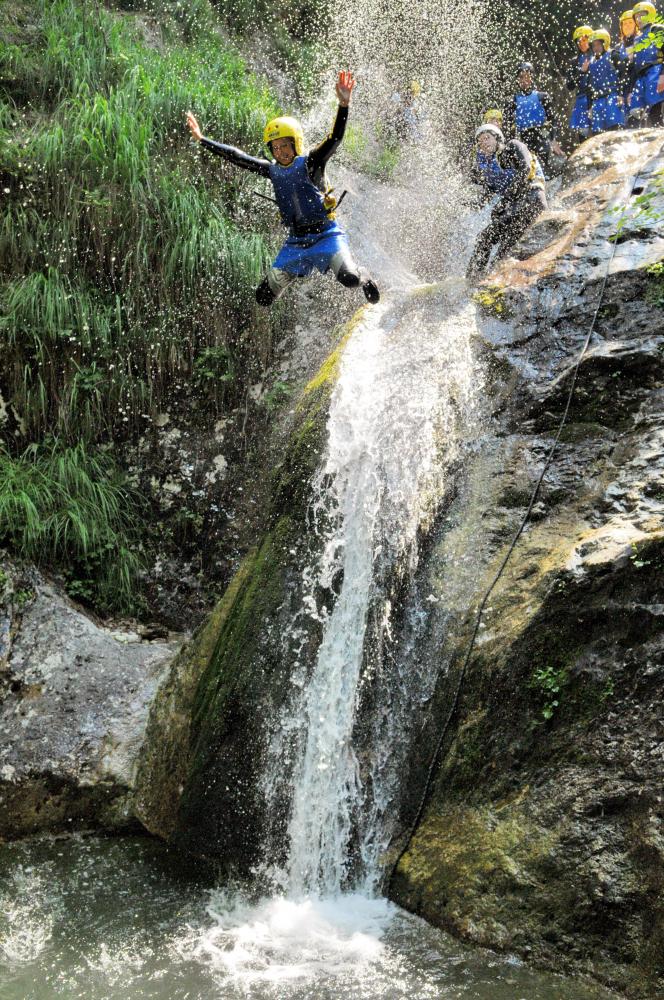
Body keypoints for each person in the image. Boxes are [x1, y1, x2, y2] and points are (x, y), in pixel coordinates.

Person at [186, 71, 380, 308]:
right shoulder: (272, 170)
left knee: (350, 279)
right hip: (296, 242)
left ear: (295, 143)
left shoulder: (312, 162)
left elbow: (335, 139)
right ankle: (295, 269)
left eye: (285, 146)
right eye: (275, 148)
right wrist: (203, 139)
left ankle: (366, 277)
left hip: (326, 235)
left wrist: (343, 104)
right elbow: (237, 157)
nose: (280, 152)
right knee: (264, 297)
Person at [466, 124, 547, 282]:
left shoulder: (514, 145)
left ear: (497, 138)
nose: (484, 143)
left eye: (487, 138)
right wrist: (471, 204)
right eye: (480, 142)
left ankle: (476, 281)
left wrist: (505, 202)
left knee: (492, 241)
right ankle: (476, 281)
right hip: (520, 205)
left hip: (532, 199)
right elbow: (489, 192)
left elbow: (525, 169)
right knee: (494, 246)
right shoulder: (496, 163)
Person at [503, 62, 565, 177]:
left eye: (527, 76)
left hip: (541, 135)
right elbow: (507, 127)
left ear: (532, 77)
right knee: (526, 166)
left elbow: (553, 120)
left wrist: (553, 140)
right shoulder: (512, 101)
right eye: (521, 77)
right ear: (517, 79)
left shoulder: (542, 97)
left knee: (549, 165)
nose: (524, 80)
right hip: (523, 137)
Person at [627, 2, 664, 126]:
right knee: (634, 112)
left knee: (655, 111)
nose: (638, 19)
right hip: (641, 78)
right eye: (636, 17)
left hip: (656, 71)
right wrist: (630, 91)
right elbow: (633, 68)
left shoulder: (657, 29)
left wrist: (663, 75)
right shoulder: (636, 39)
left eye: (642, 15)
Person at [586, 29, 627, 134]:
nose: (596, 48)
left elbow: (623, 74)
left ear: (605, 43)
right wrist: (590, 106)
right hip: (597, 100)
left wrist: (621, 94)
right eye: (593, 45)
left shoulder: (613, 55)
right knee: (597, 133)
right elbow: (589, 85)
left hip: (612, 97)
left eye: (598, 44)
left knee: (615, 129)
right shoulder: (591, 62)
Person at [566, 25, 594, 143]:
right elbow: (570, 86)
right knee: (583, 134)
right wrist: (581, 72)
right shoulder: (574, 61)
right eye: (579, 41)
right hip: (582, 98)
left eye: (584, 40)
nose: (581, 43)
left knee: (599, 129)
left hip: (596, 97)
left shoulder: (598, 55)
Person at [615, 10, 639, 125]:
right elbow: (617, 74)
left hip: (638, 87)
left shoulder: (641, 41)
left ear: (636, 24)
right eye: (624, 23)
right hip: (622, 91)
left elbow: (638, 69)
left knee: (637, 119)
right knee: (624, 123)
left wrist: (632, 91)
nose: (627, 25)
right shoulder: (617, 48)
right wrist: (619, 93)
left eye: (630, 22)